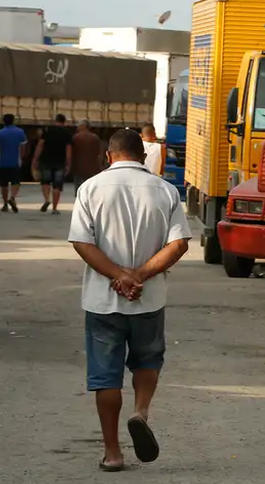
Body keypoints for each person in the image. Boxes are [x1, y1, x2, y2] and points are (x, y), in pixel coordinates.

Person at [68, 128, 191, 472]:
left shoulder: (90, 188)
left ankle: (113, 453)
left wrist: (119, 276)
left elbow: (82, 242)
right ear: (143, 155)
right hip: (148, 299)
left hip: (103, 301)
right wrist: (140, 276)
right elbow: (179, 243)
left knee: (105, 377)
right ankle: (141, 412)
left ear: (109, 155)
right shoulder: (165, 191)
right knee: (148, 359)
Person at [33, 114, 73, 214]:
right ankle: (54, 208)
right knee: (57, 185)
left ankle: (47, 200)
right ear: (63, 122)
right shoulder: (66, 133)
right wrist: (68, 163)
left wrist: (35, 158)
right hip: (60, 162)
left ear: (55, 120)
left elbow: (40, 145)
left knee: (45, 182)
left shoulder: (47, 130)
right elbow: (68, 150)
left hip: (46, 160)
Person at [0, 113, 27, 213]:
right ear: (14, 120)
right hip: (15, 161)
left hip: (3, 162)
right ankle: (13, 197)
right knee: (16, 182)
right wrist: (22, 157)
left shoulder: (0, 133)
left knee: (4, 184)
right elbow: (23, 147)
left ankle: (5, 203)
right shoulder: (20, 132)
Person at [72, 119, 104, 188]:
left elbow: (72, 153)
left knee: (79, 188)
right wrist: (100, 166)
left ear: (83, 126)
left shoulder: (75, 138)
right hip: (92, 167)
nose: (77, 127)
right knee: (90, 186)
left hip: (78, 166)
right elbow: (99, 154)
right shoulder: (95, 138)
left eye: (79, 126)